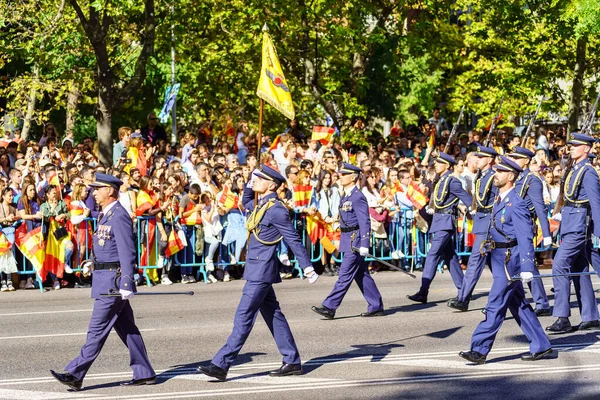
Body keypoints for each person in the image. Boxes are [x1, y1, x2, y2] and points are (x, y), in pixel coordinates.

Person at [197, 166, 318, 382]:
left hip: (261, 270)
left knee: (243, 316)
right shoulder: (262, 204)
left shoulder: (276, 209)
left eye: (261, 179)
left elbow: (292, 238)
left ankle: (221, 364)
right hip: (257, 267)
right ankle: (292, 360)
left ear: (272, 185)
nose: (257, 181)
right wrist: (250, 181)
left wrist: (307, 266)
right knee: (274, 315)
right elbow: (245, 202)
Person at [50, 173, 156, 391]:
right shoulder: (106, 214)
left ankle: (75, 373)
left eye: (98, 188)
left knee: (96, 329)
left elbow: (127, 252)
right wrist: (92, 262)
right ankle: (144, 372)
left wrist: (127, 282)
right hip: (105, 278)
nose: (94, 192)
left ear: (110, 190)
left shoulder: (118, 215)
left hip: (113, 285)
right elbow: (108, 247)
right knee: (127, 328)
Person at [459, 156, 553, 364]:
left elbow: (525, 235)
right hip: (498, 256)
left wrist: (528, 265)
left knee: (495, 303)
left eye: (500, 172)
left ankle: (479, 349)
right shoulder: (499, 199)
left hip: (511, 261)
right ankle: (542, 345)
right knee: (518, 304)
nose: (495, 174)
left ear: (511, 176)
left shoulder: (516, 202)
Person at [311, 163, 384, 319]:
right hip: (348, 239)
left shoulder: (357, 196)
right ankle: (376, 305)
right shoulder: (346, 195)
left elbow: (365, 222)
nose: (340, 176)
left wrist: (365, 244)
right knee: (361, 274)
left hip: (355, 241)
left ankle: (330, 307)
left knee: (344, 275)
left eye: (344, 174)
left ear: (353, 177)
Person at [547, 133, 600, 333]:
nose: (571, 148)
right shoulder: (574, 169)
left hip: (578, 225)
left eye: (576, 145)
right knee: (580, 270)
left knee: (559, 265)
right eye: (571, 145)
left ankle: (562, 317)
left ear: (586, 149)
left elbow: (596, 203)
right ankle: (591, 316)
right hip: (570, 223)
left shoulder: (588, 172)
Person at [407, 152, 472, 304]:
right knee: (450, 257)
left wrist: (473, 211)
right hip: (439, 220)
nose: (435, 164)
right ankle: (464, 290)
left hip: (446, 222)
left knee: (432, 254)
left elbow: (467, 199)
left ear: (447, 165)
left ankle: (423, 291)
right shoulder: (440, 180)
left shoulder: (452, 181)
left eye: (439, 162)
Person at [449, 145, 498, 311]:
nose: (477, 160)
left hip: (489, 224)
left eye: (481, 157)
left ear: (490, 160)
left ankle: (463, 298)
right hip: (482, 222)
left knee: (475, 262)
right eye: (476, 157)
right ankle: (536, 299)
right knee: (498, 267)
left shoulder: (494, 177)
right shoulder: (481, 176)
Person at [507, 146, 552, 316]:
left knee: (527, 264)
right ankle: (539, 302)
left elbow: (540, 208)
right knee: (512, 266)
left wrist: (546, 234)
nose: (513, 161)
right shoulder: (514, 179)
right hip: (510, 228)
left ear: (525, 161)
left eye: (516, 158)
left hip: (524, 227)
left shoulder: (531, 180)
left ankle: (541, 302)